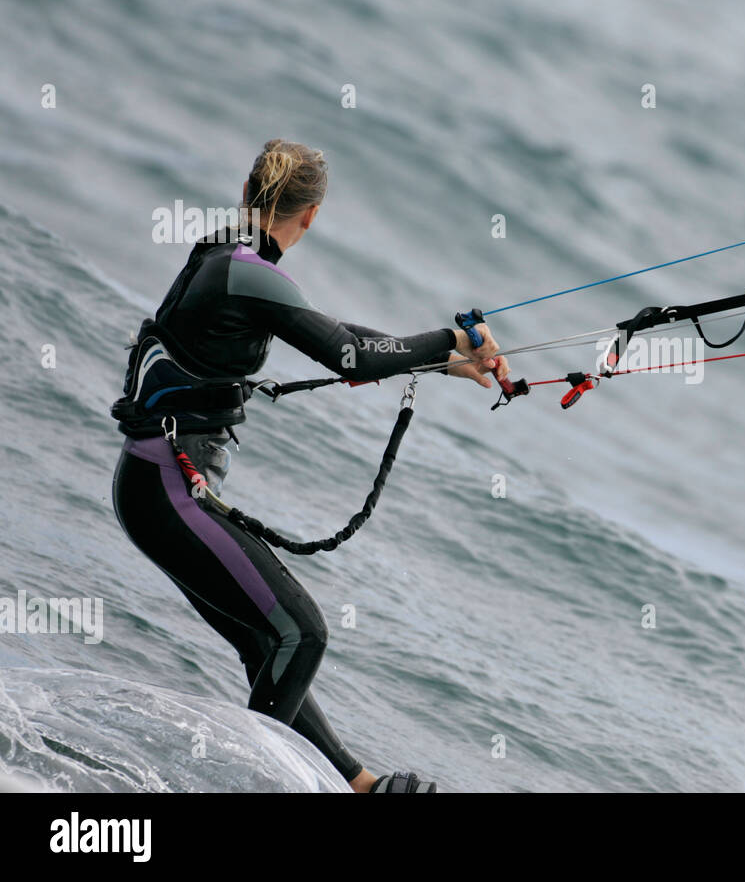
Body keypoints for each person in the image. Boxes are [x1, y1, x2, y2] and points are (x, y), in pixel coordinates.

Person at [111, 139, 506, 792]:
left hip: (158, 485)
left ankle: (356, 783)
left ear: (247, 192)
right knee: (303, 634)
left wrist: (435, 357)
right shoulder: (247, 270)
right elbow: (349, 355)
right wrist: (451, 339)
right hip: (166, 491)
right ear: (312, 216)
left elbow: (322, 330)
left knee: (268, 640)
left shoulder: (228, 254)